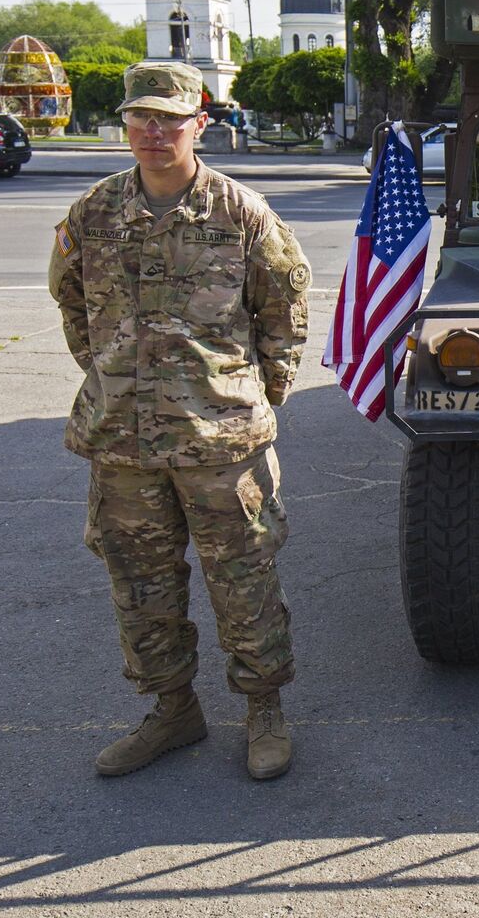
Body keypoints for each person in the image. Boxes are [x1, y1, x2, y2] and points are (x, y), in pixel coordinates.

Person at [48, 61, 311, 779]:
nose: (155, 132)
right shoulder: (93, 214)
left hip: (223, 441)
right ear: (126, 124)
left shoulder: (241, 213)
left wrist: (254, 394)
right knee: (140, 583)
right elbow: (73, 304)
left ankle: (264, 711)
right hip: (122, 440)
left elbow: (283, 311)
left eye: (171, 118)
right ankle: (172, 710)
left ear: (201, 123)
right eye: (142, 118)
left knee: (245, 580)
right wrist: (112, 377)